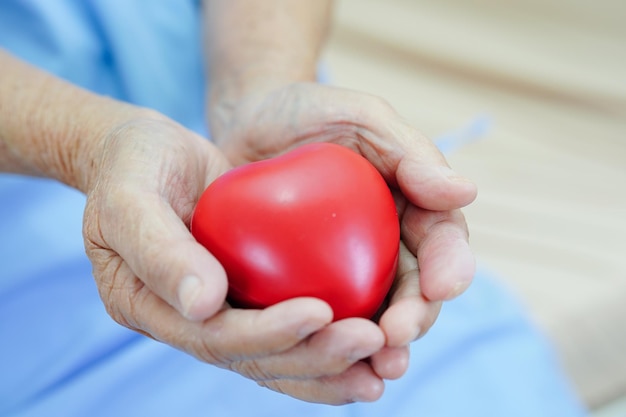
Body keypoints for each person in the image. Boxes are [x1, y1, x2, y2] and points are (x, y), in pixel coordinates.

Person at [0, 1, 586, 415]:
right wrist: (86, 142)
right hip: (36, 315)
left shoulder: (332, 167)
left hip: (308, 203)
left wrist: (262, 83)